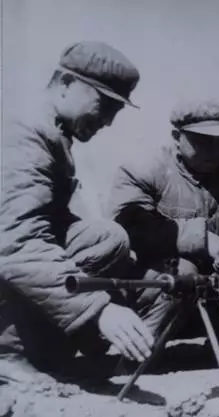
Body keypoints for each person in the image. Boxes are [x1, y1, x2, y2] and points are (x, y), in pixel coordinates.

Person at [0, 41, 154, 384]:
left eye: (116, 110)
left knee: (106, 240)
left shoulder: (51, 131)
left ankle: (42, 351)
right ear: (66, 84)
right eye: (104, 105)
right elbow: (16, 241)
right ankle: (7, 353)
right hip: (11, 248)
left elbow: (48, 220)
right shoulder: (24, 133)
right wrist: (98, 308)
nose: (108, 121)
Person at [107, 99, 219, 366]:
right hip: (162, 289)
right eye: (202, 141)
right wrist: (202, 240)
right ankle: (138, 356)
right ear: (176, 137)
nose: (215, 151)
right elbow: (130, 227)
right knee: (182, 271)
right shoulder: (143, 170)